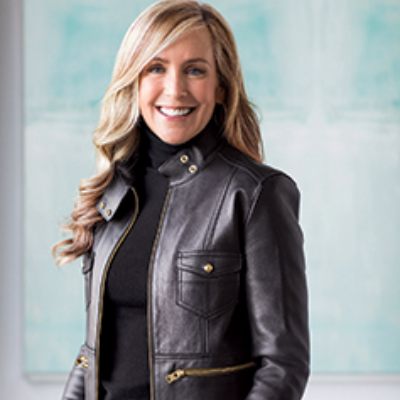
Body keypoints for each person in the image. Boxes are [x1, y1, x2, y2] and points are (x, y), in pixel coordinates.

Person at [54, 1, 310, 399]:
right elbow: (92, 353)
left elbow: (283, 366)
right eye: (156, 68)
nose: (175, 89)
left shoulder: (255, 193)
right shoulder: (113, 193)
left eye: (195, 70)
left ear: (221, 86)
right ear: (134, 80)